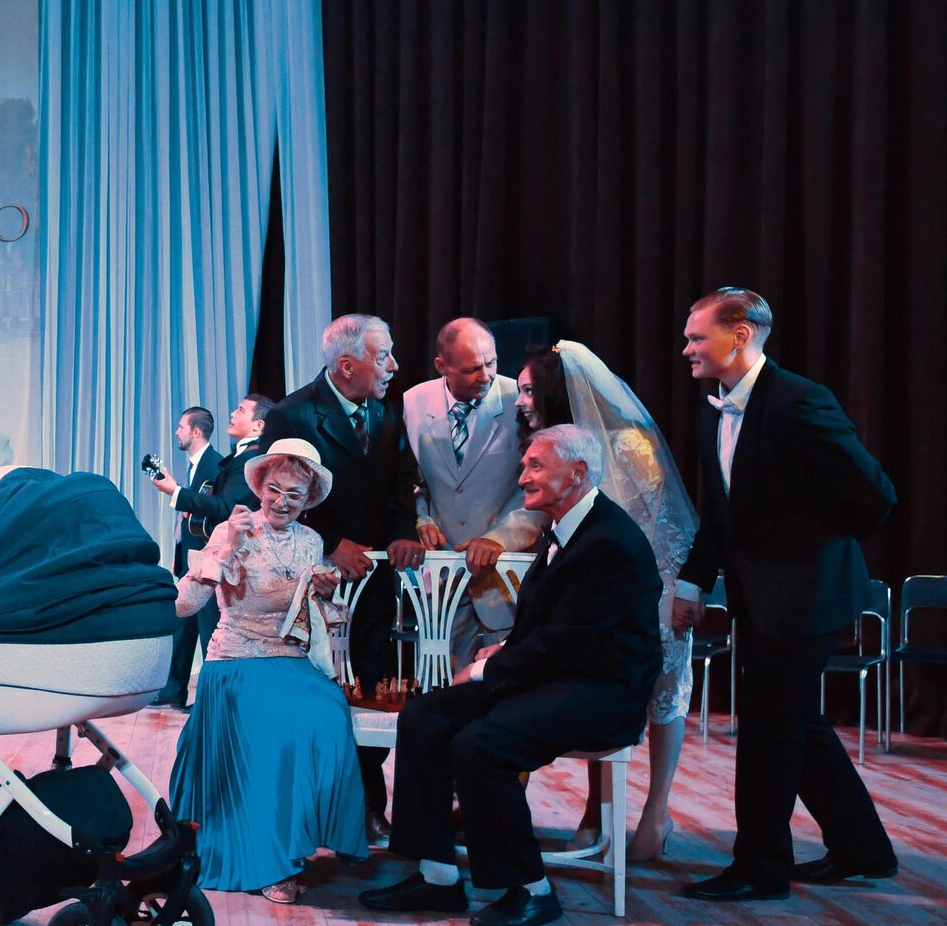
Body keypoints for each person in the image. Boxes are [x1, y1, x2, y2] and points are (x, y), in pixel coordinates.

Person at [360, 425, 661, 926]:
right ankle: (436, 876)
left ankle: (532, 890)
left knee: (482, 745)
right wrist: (503, 652)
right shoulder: (567, 527)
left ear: (578, 473)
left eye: (535, 466)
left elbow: (571, 644)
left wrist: (485, 668)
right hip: (557, 675)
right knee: (425, 716)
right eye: (525, 466)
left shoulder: (610, 539)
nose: (522, 477)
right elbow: (557, 629)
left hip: (604, 693)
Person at [671, 287, 899, 900]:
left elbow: (876, 496)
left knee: (769, 731)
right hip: (761, 597)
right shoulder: (712, 410)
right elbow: (719, 514)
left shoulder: (801, 401)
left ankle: (760, 869)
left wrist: (809, 549)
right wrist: (692, 584)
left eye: (697, 337)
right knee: (795, 721)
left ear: (739, 335)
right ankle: (864, 849)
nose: (687, 349)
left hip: (808, 596)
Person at [517, 342, 697, 862]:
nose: (520, 401)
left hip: (651, 584)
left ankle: (656, 812)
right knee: (594, 683)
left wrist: (678, 593)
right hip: (593, 589)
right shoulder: (548, 450)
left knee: (665, 696)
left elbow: (659, 521)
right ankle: (596, 811)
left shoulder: (629, 443)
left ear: (555, 390)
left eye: (528, 390)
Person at [168, 438, 369, 902]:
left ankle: (298, 839)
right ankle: (271, 859)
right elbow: (183, 605)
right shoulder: (231, 530)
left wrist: (322, 593)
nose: (281, 501)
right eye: (274, 489)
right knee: (278, 724)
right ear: (259, 486)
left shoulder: (311, 542)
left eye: (294, 494)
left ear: (309, 499)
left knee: (328, 713)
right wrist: (226, 548)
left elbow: (305, 617)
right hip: (235, 659)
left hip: (290, 659)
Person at [261, 315, 419, 843]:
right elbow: (276, 497)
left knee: (371, 689)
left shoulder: (386, 412)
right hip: (313, 581)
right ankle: (308, 814)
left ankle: (368, 805)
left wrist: (403, 534)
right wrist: (330, 542)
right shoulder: (291, 415)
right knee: (316, 697)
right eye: (383, 355)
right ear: (347, 366)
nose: (394, 365)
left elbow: (401, 483)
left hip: (374, 585)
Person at [389, 318, 546, 670]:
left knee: (507, 679)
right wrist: (421, 518)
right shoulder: (413, 402)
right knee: (444, 681)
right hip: (442, 576)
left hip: (505, 574)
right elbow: (410, 480)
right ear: (441, 365)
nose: (486, 376)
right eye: (472, 368)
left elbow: (541, 486)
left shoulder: (520, 399)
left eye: (491, 363)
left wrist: (499, 539)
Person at [155, 394, 271, 657]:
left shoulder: (250, 459)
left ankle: (214, 682)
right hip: (214, 558)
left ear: (258, 425)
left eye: (240, 410)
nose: (232, 414)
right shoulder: (237, 457)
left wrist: (176, 492)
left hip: (230, 560)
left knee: (215, 637)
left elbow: (229, 508)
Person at [151, 406, 222, 708]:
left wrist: (175, 491)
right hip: (190, 558)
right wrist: (179, 555)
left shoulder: (215, 465)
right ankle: (173, 690)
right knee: (183, 625)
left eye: (181, 427)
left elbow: (213, 512)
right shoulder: (197, 465)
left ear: (195, 431)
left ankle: (210, 698)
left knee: (208, 631)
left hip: (206, 561)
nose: (176, 432)